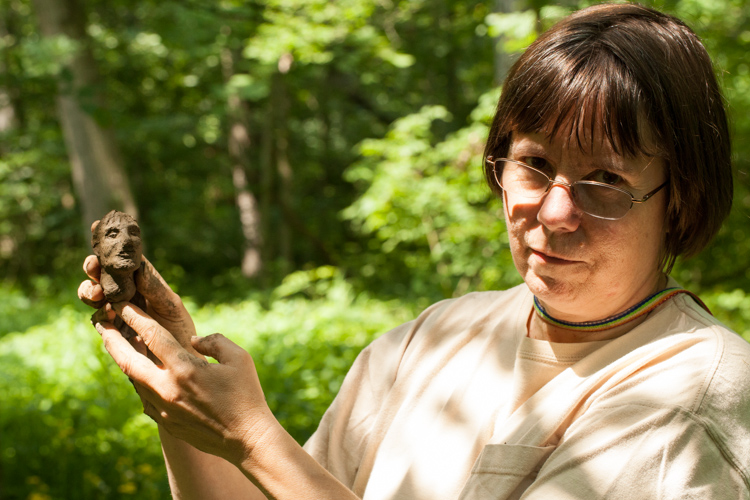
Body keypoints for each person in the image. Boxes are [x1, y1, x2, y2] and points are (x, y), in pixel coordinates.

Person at [78, 3, 750, 499]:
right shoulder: (430, 340)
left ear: (682, 198)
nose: (553, 211)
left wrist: (253, 434)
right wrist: (181, 399)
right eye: (534, 163)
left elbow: (270, 462)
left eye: (606, 179)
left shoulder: (697, 394)